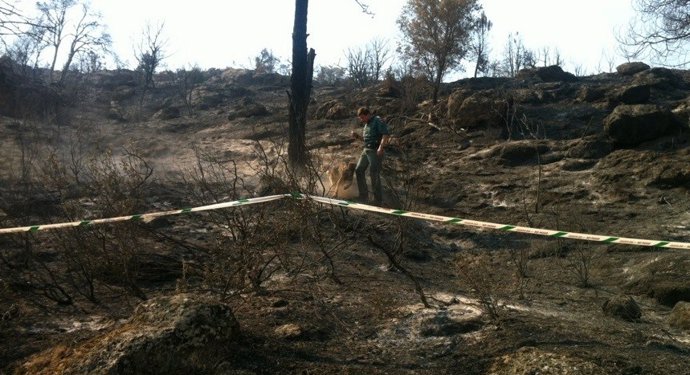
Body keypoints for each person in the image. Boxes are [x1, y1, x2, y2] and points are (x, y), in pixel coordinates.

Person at [351, 107, 390, 205]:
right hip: (366, 149)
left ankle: (377, 200)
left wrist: (381, 147)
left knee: (374, 174)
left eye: (362, 117)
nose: (361, 120)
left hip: (375, 150)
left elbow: (385, 134)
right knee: (359, 170)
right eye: (360, 118)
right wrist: (357, 136)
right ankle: (363, 196)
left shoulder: (377, 120)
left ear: (368, 114)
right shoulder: (366, 125)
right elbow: (367, 139)